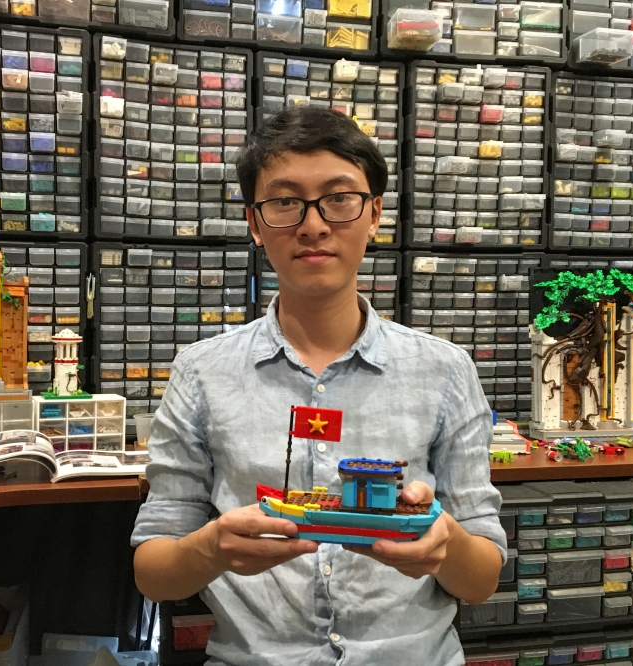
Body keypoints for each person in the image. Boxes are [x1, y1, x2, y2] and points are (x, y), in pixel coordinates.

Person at [131, 106, 506, 665]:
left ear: (375, 213)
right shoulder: (202, 372)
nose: (312, 224)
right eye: (284, 202)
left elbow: (482, 581)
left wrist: (442, 543)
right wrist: (211, 549)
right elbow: (153, 573)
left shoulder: (445, 371)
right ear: (255, 223)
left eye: (338, 197)